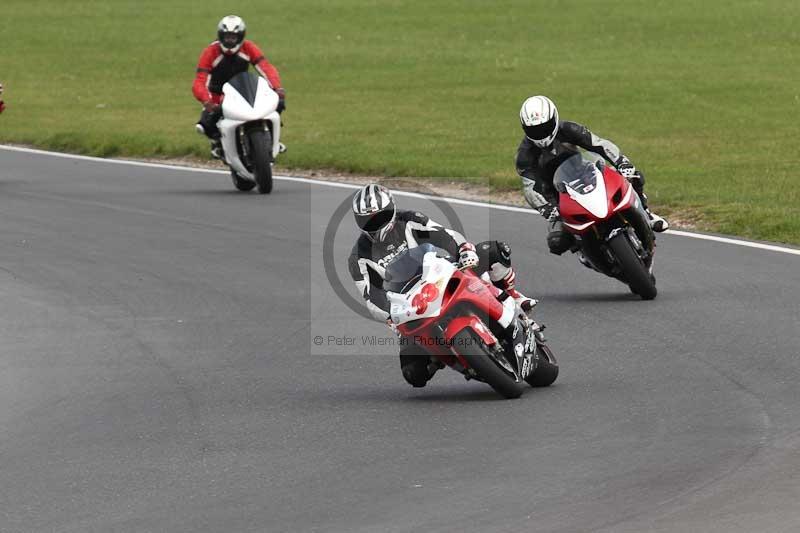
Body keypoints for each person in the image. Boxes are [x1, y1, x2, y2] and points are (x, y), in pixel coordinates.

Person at [348, 184, 537, 388]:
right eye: (366, 220)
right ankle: (443, 356)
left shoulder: (410, 220)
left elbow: (444, 235)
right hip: (411, 305)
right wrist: (390, 315)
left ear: (392, 209)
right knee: (414, 374)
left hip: (439, 275)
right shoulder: (360, 257)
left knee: (493, 251)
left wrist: (464, 250)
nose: (374, 224)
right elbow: (371, 296)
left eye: (380, 216)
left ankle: (513, 296)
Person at [516, 95, 669, 256]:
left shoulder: (568, 129)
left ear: (554, 118)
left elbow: (599, 144)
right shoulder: (524, 155)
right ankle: (584, 250)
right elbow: (529, 188)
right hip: (556, 196)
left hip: (585, 174)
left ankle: (646, 213)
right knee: (557, 242)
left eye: (544, 127)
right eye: (534, 130)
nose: (540, 134)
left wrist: (621, 162)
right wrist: (546, 208)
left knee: (634, 177)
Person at [192, 15, 285, 159]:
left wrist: (277, 88)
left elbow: (265, 67)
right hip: (217, 96)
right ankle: (218, 143)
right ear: (220, 36)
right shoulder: (210, 52)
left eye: (233, 37)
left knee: (277, 105)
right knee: (205, 125)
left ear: (241, 36)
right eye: (227, 37)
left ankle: (272, 140)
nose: (230, 40)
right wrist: (207, 101)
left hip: (244, 91)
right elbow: (200, 81)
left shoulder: (248, 47)